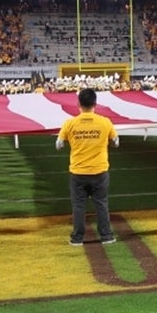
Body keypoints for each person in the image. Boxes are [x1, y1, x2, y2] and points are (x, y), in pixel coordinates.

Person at [55, 88, 119, 246]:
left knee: (78, 205)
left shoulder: (70, 123)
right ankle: (106, 236)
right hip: (99, 171)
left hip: (78, 172)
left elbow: (58, 145)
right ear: (95, 104)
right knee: (101, 203)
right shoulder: (105, 122)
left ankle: (77, 238)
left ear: (78, 104)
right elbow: (116, 142)